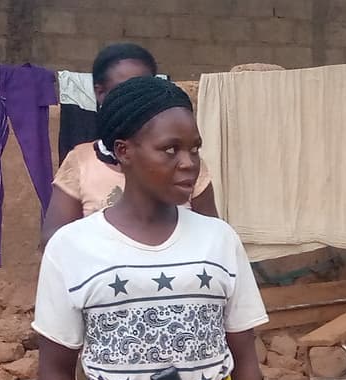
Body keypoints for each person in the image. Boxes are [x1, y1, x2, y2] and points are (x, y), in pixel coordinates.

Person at [35, 76, 275, 380]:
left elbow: (245, 360)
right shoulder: (73, 247)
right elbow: (54, 371)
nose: (189, 164)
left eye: (195, 149)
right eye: (170, 150)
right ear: (124, 151)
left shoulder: (218, 240)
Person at [41, 43, 216, 242]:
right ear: (100, 93)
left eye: (146, 88)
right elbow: (54, 240)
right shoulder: (81, 161)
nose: (138, 99)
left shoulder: (185, 163)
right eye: (126, 90)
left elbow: (211, 238)